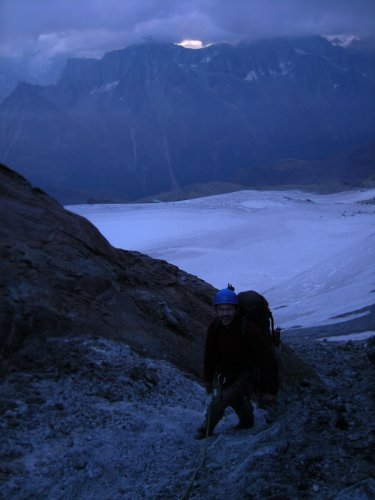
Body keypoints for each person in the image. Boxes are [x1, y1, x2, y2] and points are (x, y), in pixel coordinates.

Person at [195, 288, 279, 439]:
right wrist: (208, 378)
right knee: (233, 396)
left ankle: (206, 429)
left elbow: (267, 359)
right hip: (226, 370)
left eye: (229, 309)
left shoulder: (248, 328)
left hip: (247, 370)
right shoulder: (215, 326)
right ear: (216, 310)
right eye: (221, 310)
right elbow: (210, 354)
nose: (225, 314)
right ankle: (247, 421)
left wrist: (271, 390)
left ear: (236, 310)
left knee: (221, 399)